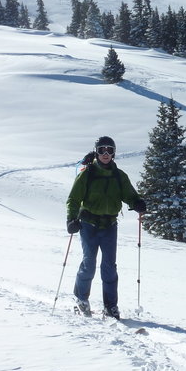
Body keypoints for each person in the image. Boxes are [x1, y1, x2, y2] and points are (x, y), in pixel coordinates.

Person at [66, 136, 146, 319]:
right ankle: (81, 300)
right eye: (102, 150)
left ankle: (110, 307)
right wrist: (71, 219)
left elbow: (130, 195)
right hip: (89, 225)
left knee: (109, 266)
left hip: (110, 225)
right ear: (96, 151)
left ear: (114, 153)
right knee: (89, 264)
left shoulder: (119, 176)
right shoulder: (87, 174)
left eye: (110, 150)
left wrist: (137, 203)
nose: (106, 154)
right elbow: (73, 199)